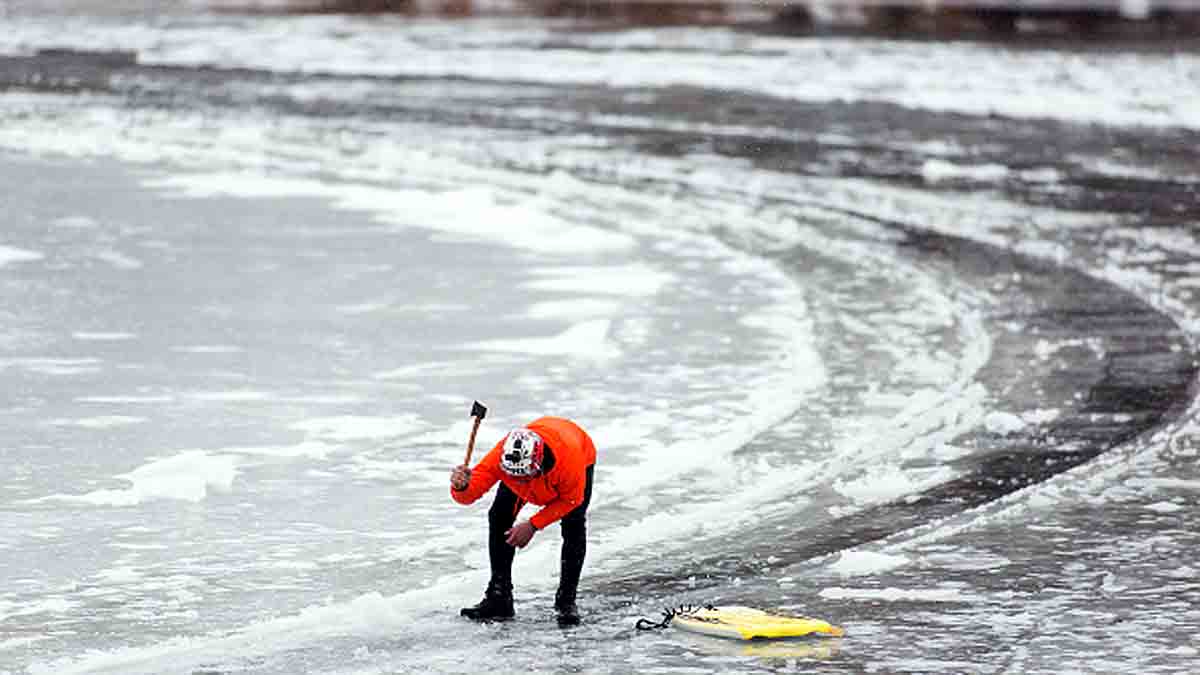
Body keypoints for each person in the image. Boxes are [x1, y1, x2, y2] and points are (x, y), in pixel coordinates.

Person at [450, 416, 596, 627]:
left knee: (573, 524)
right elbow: (468, 497)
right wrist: (460, 487)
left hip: (579, 450)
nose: (520, 484)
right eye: (513, 477)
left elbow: (571, 500)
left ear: (538, 463)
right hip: (527, 466)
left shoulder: (569, 461)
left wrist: (533, 524)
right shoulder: (502, 457)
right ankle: (499, 597)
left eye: (524, 477)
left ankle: (566, 601)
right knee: (499, 515)